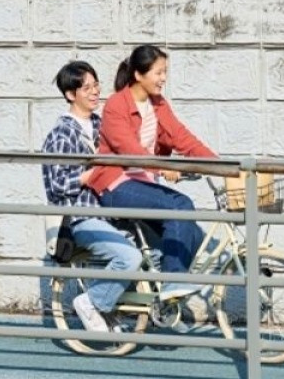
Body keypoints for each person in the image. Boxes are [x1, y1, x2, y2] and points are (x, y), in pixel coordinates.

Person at [87, 45, 216, 299]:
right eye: (158, 73)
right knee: (180, 205)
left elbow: (181, 137)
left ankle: (165, 286)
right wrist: (165, 168)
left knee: (189, 230)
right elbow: (130, 150)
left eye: (165, 72)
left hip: (142, 182)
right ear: (138, 75)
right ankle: (172, 281)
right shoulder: (116, 105)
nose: (163, 79)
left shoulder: (158, 104)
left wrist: (223, 167)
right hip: (115, 185)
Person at [41, 60, 142, 332]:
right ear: (70, 94)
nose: (95, 91)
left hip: (111, 210)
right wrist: (91, 174)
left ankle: (113, 307)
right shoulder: (63, 133)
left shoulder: (102, 124)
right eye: (87, 87)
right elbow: (57, 185)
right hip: (82, 217)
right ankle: (91, 302)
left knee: (155, 245)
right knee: (129, 258)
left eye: (96, 85)